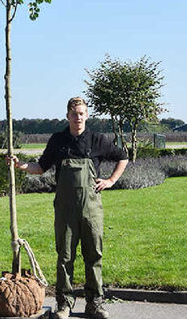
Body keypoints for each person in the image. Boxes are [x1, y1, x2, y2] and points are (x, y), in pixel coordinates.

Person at [7, 97, 128, 319]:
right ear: (67, 116)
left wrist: (110, 181)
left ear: (87, 115)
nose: (78, 117)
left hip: (92, 209)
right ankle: (64, 304)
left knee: (94, 255)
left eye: (82, 113)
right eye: (74, 114)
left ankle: (95, 304)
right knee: (64, 257)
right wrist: (20, 165)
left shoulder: (97, 140)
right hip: (65, 209)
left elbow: (122, 157)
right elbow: (41, 167)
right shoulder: (58, 140)